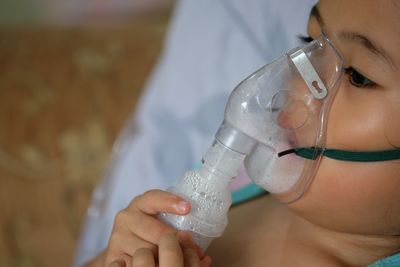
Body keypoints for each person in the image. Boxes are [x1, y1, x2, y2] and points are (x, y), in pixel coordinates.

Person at [81, 0, 400, 266]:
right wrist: (122, 254)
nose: (301, 80)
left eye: (357, 76)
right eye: (310, 43)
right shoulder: (238, 188)